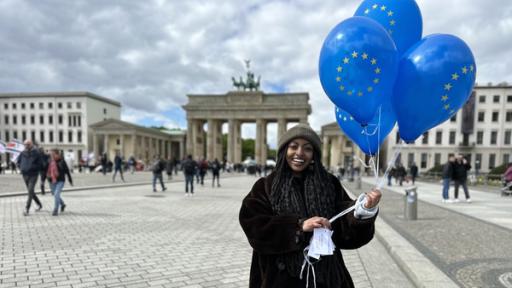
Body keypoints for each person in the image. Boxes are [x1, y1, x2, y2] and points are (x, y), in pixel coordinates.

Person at [239, 124, 380, 288]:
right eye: (293, 146)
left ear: (314, 155)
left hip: (326, 277)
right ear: (284, 151)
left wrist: (362, 212)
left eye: (307, 148)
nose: (299, 153)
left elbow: (345, 231)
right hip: (280, 278)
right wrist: (298, 227)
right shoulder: (265, 186)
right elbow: (254, 225)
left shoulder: (329, 184)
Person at [17, 140, 43, 216]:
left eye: (28, 144)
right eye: (25, 144)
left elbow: (40, 164)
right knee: (30, 191)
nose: (26, 146)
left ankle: (27, 208)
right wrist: (21, 168)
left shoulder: (37, 153)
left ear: (31, 144)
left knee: (30, 190)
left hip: (33, 174)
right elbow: (18, 162)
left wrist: (33, 167)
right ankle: (39, 204)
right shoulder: (22, 153)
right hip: (25, 174)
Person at [47, 149, 72, 216]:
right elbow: (46, 170)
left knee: (56, 194)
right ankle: (62, 204)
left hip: (60, 180)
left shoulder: (62, 161)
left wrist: (70, 180)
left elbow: (67, 171)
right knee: (55, 194)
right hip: (52, 180)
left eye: (53, 154)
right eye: (51, 154)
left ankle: (55, 209)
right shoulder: (49, 161)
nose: (52, 155)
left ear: (58, 154)